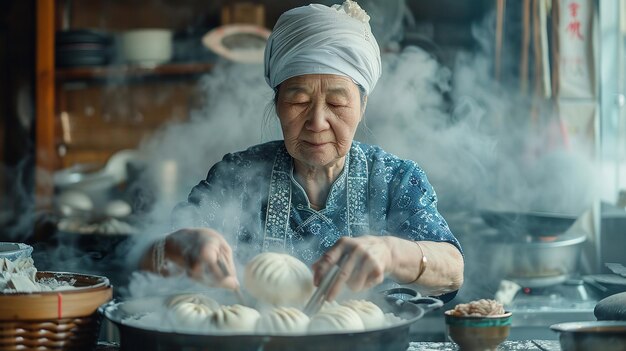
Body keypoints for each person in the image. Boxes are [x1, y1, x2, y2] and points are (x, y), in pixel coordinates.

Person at [140, 0, 464, 302]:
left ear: (363, 105)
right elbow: (149, 259)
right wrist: (183, 247)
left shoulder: (394, 180)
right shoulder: (238, 174)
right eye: (299, 101)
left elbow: (452, 270)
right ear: (277, 103)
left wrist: (392, 253)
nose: (317, 122)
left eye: (337, 102)